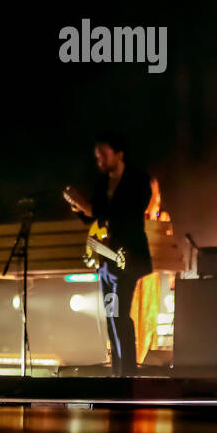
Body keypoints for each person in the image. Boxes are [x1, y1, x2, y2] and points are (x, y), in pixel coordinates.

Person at [65, 132, 154, 377]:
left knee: (119, 314)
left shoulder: (138, 180)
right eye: (97, 156)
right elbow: (95, 216)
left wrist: (87, 206)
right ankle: (119, 372)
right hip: (106, 260)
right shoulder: (102, 183)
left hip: (127, 258)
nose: (99, 160)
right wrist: (78, 207)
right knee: (112, 316)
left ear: (119, 154)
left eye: (103, 154)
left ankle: (127, 373)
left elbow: (120, 215)